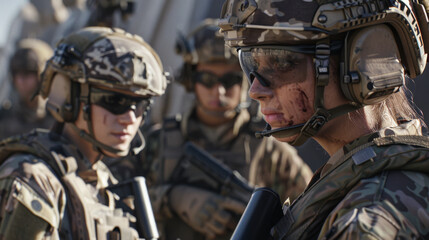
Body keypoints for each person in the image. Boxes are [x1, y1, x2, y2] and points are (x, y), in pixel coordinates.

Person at [218, 0, 429, 239]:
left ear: (364, 61)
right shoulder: (364, 177)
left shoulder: (367, 222)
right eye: (252, 64)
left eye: (283, 62)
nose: (255, 90)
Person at [136, 19, 313, 240]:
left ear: (246, 82)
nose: (218, 92)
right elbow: (120, 203)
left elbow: (311, 212)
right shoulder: (158, 143)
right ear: (191, 80)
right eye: (207, 79)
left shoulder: (269, 151)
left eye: (229, 80)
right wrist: (172, 198)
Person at [0, 26, 167, 239]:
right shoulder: (35, 180)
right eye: (114, 102)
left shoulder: (101, 178)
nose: (130, 118)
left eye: (141, 105)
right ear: (69, 98)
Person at [0, 38, 55, 139]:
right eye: (16, 73)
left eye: (27, 73)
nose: (20, 80)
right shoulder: (5, 117)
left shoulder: (57, 120)